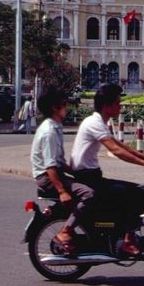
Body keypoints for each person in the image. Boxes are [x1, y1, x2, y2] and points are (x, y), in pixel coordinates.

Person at [70, 84, 144, 257]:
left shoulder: (99, 122)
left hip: (91, 175)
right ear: (107, 105)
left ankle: (121, 233)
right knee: (136, 193)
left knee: (129, 192)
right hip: (88, 178)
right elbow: (115, 150)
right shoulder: (94, 123)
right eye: (118, 103)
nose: (121, 107)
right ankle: (128, 241)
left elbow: (120, 145)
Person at [30, 88, 93, 255]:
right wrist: (62, 191)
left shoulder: (55, 126)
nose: (67, 107)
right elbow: (50, 166)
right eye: (64, 105)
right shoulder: (49, 131)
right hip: (48, 177)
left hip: (55, 173)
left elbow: (59, 162)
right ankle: (65, 232)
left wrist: (77, 172)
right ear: (54, 108)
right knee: (88, 194)